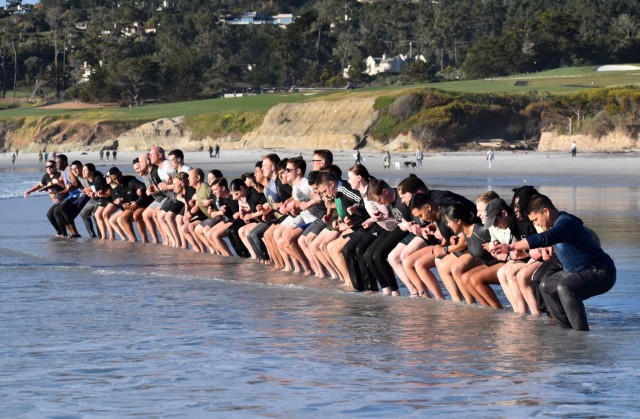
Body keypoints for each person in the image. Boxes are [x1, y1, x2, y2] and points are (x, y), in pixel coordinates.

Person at [492, 194, 616, 331]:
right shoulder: (556, 226)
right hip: (578, 272)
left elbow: (545, 238)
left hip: (601, 271)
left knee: (565, 287)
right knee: (547, 286)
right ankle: (564, 330)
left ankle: (581, 336)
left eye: (536, 219)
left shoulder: (566, 223)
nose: (536, 224)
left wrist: (510, 247)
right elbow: (552, 241)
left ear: (546, 211)